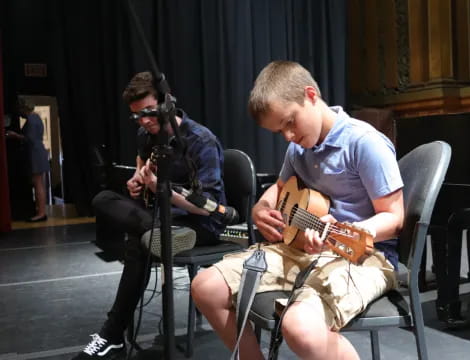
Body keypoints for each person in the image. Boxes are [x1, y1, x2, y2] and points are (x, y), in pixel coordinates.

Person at [191, 60, 404, 360]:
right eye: (280, 131)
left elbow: (395, 219)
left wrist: (356, 230)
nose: (288, 137)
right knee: (205, 287)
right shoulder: (298, 149)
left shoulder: (364, 142)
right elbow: (278, 189)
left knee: (300, 328)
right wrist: (261, 208)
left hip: (363, 254)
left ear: (311, 96)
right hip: (304, 247)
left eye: (290, 122)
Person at [73, 71, 227, 359]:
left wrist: (164, 190)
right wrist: (137, 179)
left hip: (201, 223)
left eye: (148, 112)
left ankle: (112, 334)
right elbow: (142, 165)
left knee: (138, 241)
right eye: (137, 116)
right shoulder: (146, 134)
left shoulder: (200, 140)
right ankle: (157, 231)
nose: (144, 121)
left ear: (167, 102)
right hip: (164, 219)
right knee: (103, 199)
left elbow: (210, 205)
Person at [6, 99, 50, 222]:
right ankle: (41, 211)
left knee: (38, 183)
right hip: (38, 151)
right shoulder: (36, 117)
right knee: (39, 182)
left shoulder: (31, 119)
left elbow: (29, 139)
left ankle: (41, 213)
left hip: (35, 152)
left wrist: (14, 135)